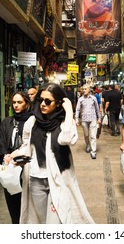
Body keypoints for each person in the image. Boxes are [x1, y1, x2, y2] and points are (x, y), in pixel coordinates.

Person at [5, 83, 94, 224]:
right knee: (41, 221)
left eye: (48, 101)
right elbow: (27, 146)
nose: (43, 104)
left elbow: (67, 139)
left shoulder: (64, 121)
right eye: (41, 100)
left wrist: (69, 109)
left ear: (58, 103)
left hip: (58, 178)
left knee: (56, 221)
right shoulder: (32, 121)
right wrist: (15, 155)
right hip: (35, 179)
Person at [0, 91, 32, 223]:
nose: (16, 105)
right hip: (10, 168)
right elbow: (2, 141)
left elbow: (31, 144)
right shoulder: (7, 121)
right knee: (13, 206)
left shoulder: (32, 121)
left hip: (27, 167)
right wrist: (6, 156)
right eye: (14, 102)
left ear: (26, 104)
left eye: (20, 102)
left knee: (28, 207)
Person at [75, 84, 101, 159]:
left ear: (89, 90)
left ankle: (93, 151)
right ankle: (87, 145)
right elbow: (77, 109)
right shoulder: (80, 99)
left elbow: (97, 109)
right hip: (84, 120)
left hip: (93, 119)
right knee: (86, 135)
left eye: (85, 89)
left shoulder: (93, 98)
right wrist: (76, 119)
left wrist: (99, 118)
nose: (84, 90)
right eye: (83, 89)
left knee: (93, 136)